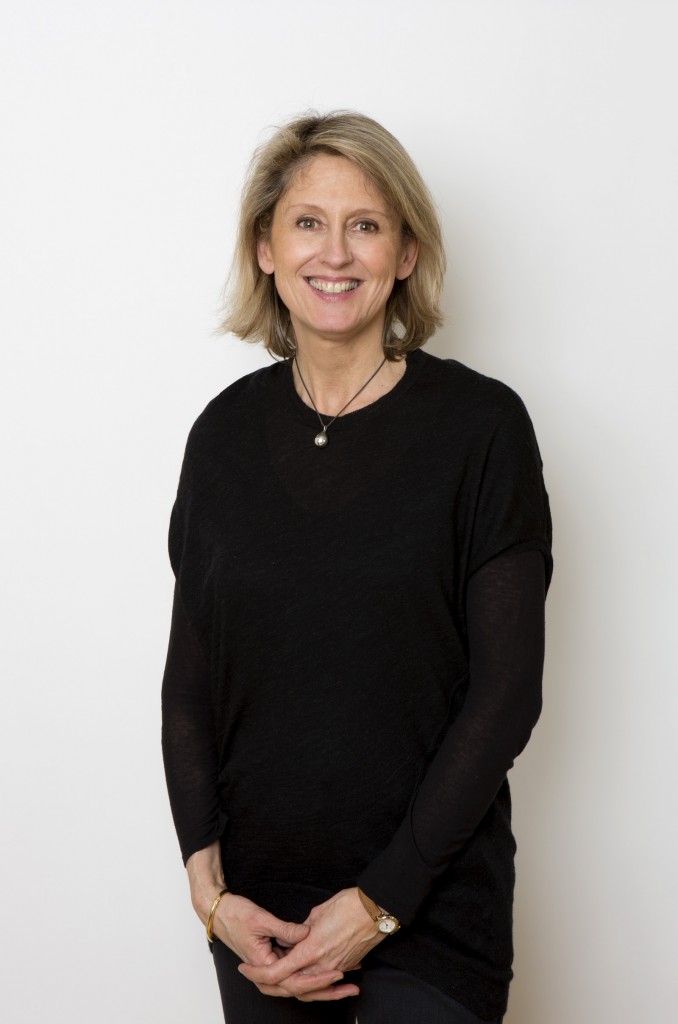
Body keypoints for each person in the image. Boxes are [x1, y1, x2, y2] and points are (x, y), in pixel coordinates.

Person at [161, 110, 552, 1024]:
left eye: (365, 224)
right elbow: (190, 681)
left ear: (405, 253)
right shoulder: (220, 437)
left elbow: (506, 695)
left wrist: (380, 902)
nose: (334, 252)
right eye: (307, 222)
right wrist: (208, 889)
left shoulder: (482, 430)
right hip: (262, 925)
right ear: (265, 248)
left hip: (432, 910)